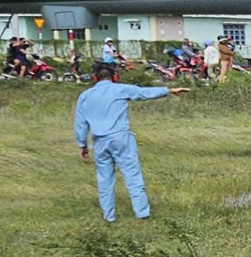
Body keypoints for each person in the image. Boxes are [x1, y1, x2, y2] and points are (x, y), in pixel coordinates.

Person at [74, 62, 191, 222]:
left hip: (99, 141)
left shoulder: (85, 96)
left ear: (95, 78)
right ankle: (142, 213)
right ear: (115, 77)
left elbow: (80, 123)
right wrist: (169, 90)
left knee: (104, 179)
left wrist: (82, 145)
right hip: (121, 138)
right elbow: (143, 93)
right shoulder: (120, 89)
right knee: (132, 175)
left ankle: (109, 216)